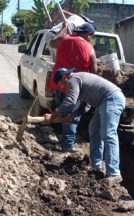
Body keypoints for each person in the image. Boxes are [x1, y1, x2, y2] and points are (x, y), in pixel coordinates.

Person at [45, 68, 125, 180]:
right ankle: (96, 165)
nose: (62, 88)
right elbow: (85, 105)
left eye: (61, 84)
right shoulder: (79, 79)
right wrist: (72, 116)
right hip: (104, 101)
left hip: (111, 98)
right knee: (94, 129)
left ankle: (113, 173)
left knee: (108, 133)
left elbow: (70, 101)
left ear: (64, 77)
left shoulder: (73, 79)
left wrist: (54, 116)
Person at [48, 22, 98, 152]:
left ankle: (65, 141)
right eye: (91, 36)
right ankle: (68, 146)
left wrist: (64, 28)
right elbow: (94, 71)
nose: (91, 39)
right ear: (88, 34)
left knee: (64, 111)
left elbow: (51, 42)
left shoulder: (63, 40)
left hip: (58, 83)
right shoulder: (89, 47)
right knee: (71, 115)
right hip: (76, 87)